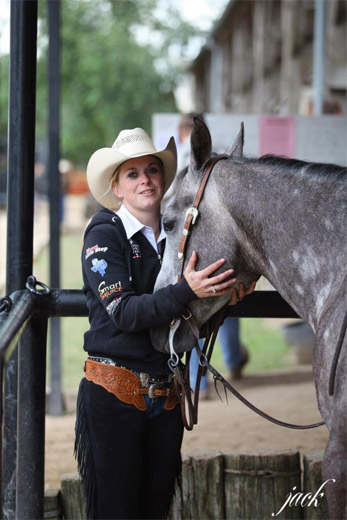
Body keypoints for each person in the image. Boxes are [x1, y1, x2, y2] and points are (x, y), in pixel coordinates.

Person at [75, 127, 253, 519]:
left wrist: (223, 297)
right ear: (117, 187)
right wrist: (188, 289)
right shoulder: (104, 233)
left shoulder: (181, 237)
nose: (145, 180)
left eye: (152, 170)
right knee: (116, 512)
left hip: (167, 394)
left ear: (163, 177)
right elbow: (123, 312)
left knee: (157, 510)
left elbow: (185, 317)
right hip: (114, 394)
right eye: (132, 174)